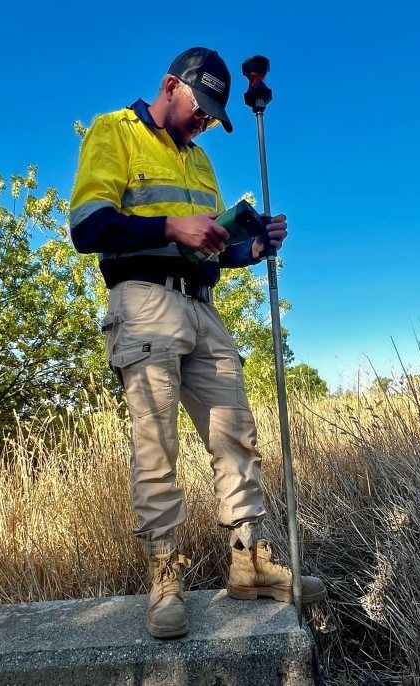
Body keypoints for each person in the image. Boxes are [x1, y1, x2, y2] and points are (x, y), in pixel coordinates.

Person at [70, 47, 324, 639]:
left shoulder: (202, 162)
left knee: (236, 431)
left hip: (201, 304)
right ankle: (164, 578)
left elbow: (208, 247)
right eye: (200, 107)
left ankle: (248, 561)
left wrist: (251, 247)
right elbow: (87, 226)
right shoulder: (116, 130)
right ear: (169, 86)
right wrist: (166, 226)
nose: (205, 121)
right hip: (143, 300)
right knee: (155, 441)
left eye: (213, 115)